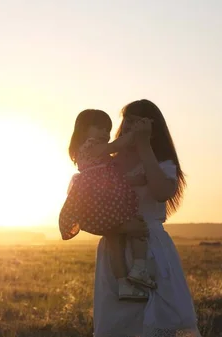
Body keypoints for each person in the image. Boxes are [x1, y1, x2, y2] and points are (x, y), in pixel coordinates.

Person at [89, 99, 201, 337]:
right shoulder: (109, 162)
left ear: (153, 128)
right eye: (127, 120)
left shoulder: (163, 163)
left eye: (139, 121)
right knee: (120, 322)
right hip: (115, 249)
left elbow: (161, 192)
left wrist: (143, 146)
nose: (131, 126)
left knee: (160, 317)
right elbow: (90, 206)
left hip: (151, 248)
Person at [59, 109, 157, 301]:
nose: (105, 133)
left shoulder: (89, 154)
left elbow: (115, 176)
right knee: (137, 226)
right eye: (99, 128)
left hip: (99, 202)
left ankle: (123, 284)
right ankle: (139, 267)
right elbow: (116, 146)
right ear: (84, 129)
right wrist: (135, 135)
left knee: (114, 240)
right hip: (105, 201)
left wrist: (135, 179)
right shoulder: (90, 147)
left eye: (107, 129)